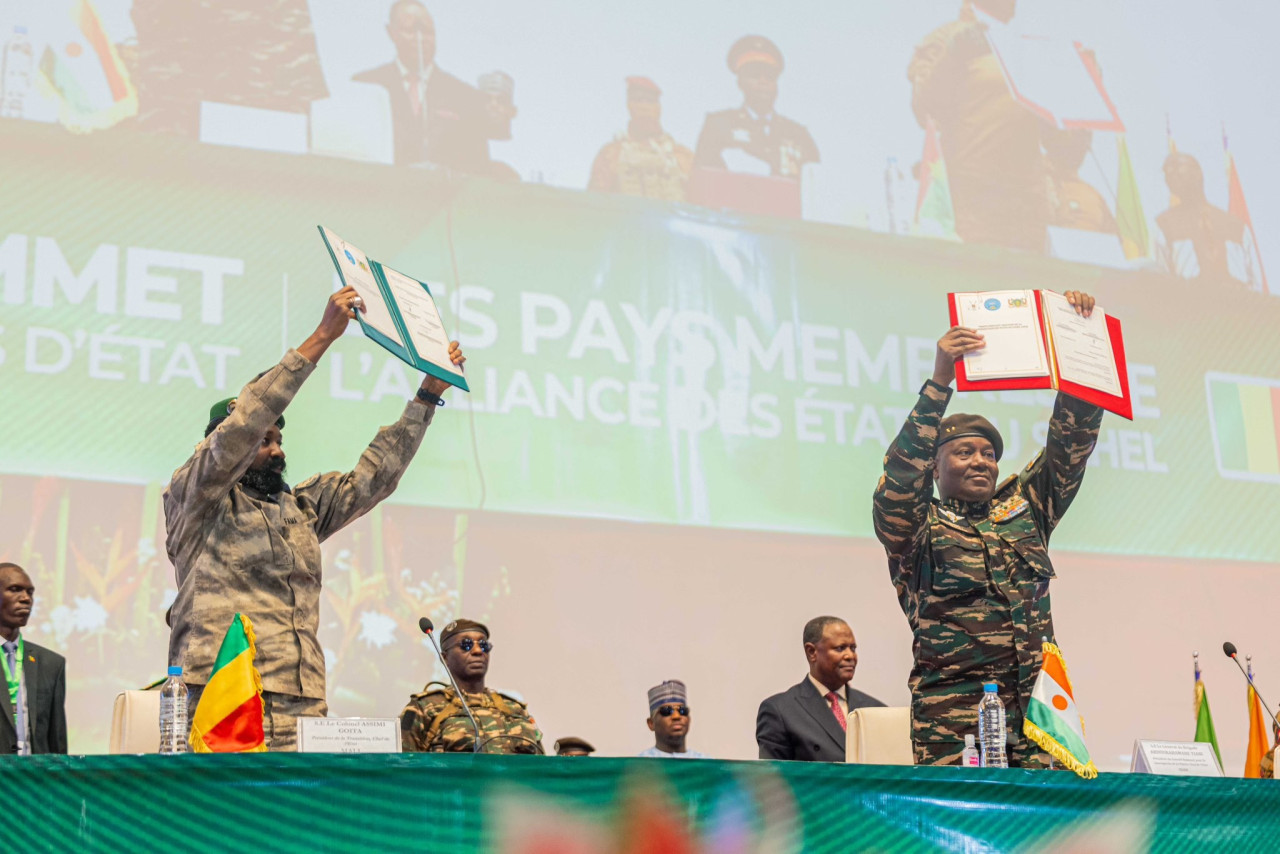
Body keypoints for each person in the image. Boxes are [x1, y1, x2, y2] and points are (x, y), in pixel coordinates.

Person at [164, 286, 465, 751]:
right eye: (263, 440)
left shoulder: (299, 509)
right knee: (225, 821)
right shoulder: (197, 499)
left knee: (300, 820)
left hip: (301, 699)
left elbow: (373, 480)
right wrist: (323, 336)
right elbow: (244, 421)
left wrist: (426, 396)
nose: (276, 448)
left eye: (278, 438)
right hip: (222, 695)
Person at [872, 293, 1103, 766]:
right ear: (934, 468)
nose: (981, 460)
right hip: (955, 724)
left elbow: (1069, 445)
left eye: (989, 453)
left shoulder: (1025, 510)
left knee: (1050, 836)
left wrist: (1080, 340)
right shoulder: (918, 529)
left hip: (1041, 718)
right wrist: (940, 383)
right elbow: (898, 481)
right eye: (964, 452)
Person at [908, 0, 1050, 252]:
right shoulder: (945, 39)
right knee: (976, 287)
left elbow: (1059, 140)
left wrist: (1083, 82)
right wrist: (952, 55)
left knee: (1022, 290)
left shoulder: (1028, 48)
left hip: (1027, 209)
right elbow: (926, 110)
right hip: (972, 204)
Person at [353, 0, 496, 173]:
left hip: (445, 196)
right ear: (391, 32)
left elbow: (479, 169)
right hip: (382, 194)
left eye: (428, 32)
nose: (420, 39)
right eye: (411, 30)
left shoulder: (465, 96)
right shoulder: (366, 85)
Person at [401, 619, 543, 753]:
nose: (477, 651)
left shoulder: (515, 709)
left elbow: (542, 769)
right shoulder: (423, 709)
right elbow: (402, 769)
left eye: (484, 645)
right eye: (466, 645)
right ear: (445, 658)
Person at [755, 616, 884, 761]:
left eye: (853, 648)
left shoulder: (877, 710)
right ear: (812, 652)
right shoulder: (781, 710)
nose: (850, 656)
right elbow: (774, 780)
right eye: (840, 648)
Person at [693, 35, 819, 181]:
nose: (763, 82)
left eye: (770, 76)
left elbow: (814, 189)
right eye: (754, 75)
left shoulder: (799, 136)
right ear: (740, 82)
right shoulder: (719, 125)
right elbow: (703, 182)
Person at [1156, 152, 1262, 291]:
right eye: (1167, 173)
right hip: (1192, 306)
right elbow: (1162, 280)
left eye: (1177, 167)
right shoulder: (1164, 224)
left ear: (1197, 173)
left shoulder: (1236, 226)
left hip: (1239, 306)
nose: (1171, 175)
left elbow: (1255, 282)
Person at [588, 77, 694, 201]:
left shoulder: (681, 156)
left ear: (658, 107)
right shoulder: (611, 154)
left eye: (649, 101)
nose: (644, 107)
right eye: (638, 100)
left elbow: (701, 203)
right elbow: (595, 203)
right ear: (629, 105)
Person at [0, 563, 67, 755]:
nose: (26, 599)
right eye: (15, 590)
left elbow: (56, 742)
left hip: (34, 780)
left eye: (30, 592)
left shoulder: (51, 664)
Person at [1044, 128, 1117, 235]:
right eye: (1076, 136)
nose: (1081, 146)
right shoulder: (1031, 181)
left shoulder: (1094, 197)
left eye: (1084, 139)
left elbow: (1116, 244)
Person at [637, 680, 707, 758]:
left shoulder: (705, 764)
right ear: (651, 723)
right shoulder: (641, 764)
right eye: (667, 711)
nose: (676, 716)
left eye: (682, 710)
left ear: (689, 719)